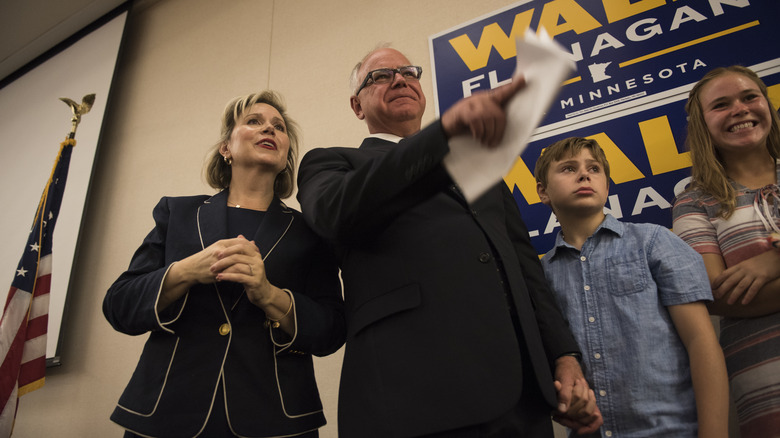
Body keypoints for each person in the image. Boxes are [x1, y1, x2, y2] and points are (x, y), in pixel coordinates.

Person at [296, 46, 601, 438]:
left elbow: (526, 271)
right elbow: (335, 214)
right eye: (381, 75)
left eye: (408, 72)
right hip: (414, 403)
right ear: (357, 106)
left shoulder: (482, 170)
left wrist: (564, 356)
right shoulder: (331, 163)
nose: (400, 79)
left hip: (522, 401)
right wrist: (443, 136)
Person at [103, 91, 346, 438]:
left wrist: (270, 296)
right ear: (226, 148)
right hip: (166, 412)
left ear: (285, 156)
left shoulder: (311, 230)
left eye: (278, 127)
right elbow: (118, 305)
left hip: (275, 418)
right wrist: (187, 271)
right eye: (253, 121)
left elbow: (331, 331)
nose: (269, 129)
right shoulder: (177, 213)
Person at [534, 136, 729, 437]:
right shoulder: (541, 275)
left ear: (607, 187)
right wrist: (564, 407)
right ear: (542, 192)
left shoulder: (653, 241)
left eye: (594, 168)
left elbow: (701, 342)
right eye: (569, 168)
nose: (585, 174)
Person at [672, 65, 780, 437]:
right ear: (702, 125)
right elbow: (718, 295)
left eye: (750, 96)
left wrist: (772, 262)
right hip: (768, 384)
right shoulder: (694, 204)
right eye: (721, 104)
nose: (740, 108)